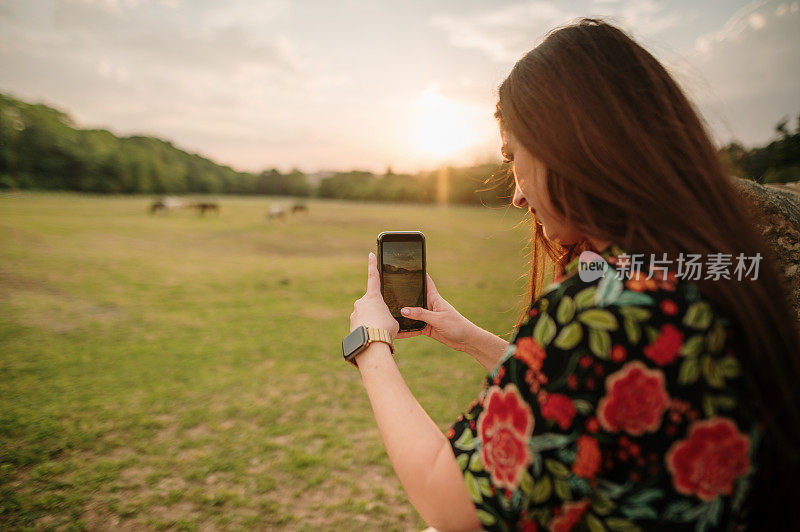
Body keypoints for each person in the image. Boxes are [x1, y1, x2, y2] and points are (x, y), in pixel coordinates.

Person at [347, 18, 800, 532]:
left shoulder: (602, 302)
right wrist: (469, 337)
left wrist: (372, 343)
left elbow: (449, 501)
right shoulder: (711, 267)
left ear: (567, 146)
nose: (517, 194)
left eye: (513, 156)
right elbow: (590, 394)